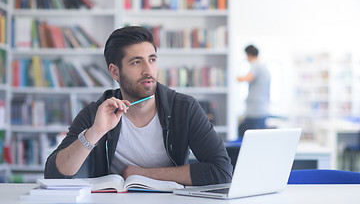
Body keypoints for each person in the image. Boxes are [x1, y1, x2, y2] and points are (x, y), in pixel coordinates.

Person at [44, 26, 232, 186]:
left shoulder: (184, 109)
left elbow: (221, 171)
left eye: (152, 59)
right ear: (115, 71)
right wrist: (95, 132)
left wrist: (144, 174)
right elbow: (54, 176)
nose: (148, 70)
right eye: (136, 62)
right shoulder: (97, 112)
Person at [237, 45, 271, 138]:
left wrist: (235, 77)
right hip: (262, 110)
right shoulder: (264, 67)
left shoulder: (256, 66)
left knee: (248, 138)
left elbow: (247, 78)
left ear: (249, 55)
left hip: (255, 112)